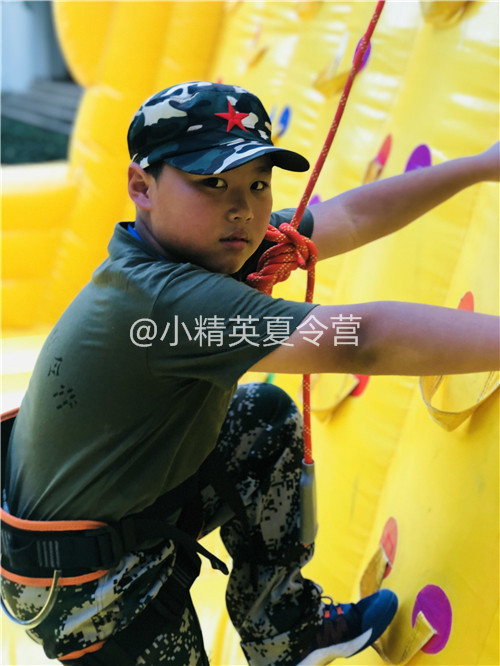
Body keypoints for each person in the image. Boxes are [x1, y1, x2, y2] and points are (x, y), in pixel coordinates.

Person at [1, 81, 498, 666]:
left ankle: (284, 633)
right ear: (141, 186)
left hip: (126, 511)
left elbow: (349, 215)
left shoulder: (200, 250)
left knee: (260, 418)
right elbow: (360, 340)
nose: (242, 207)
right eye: (212, 183)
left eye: (258, 184)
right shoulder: (168, 304)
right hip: (86, 585)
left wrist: (481, 166)